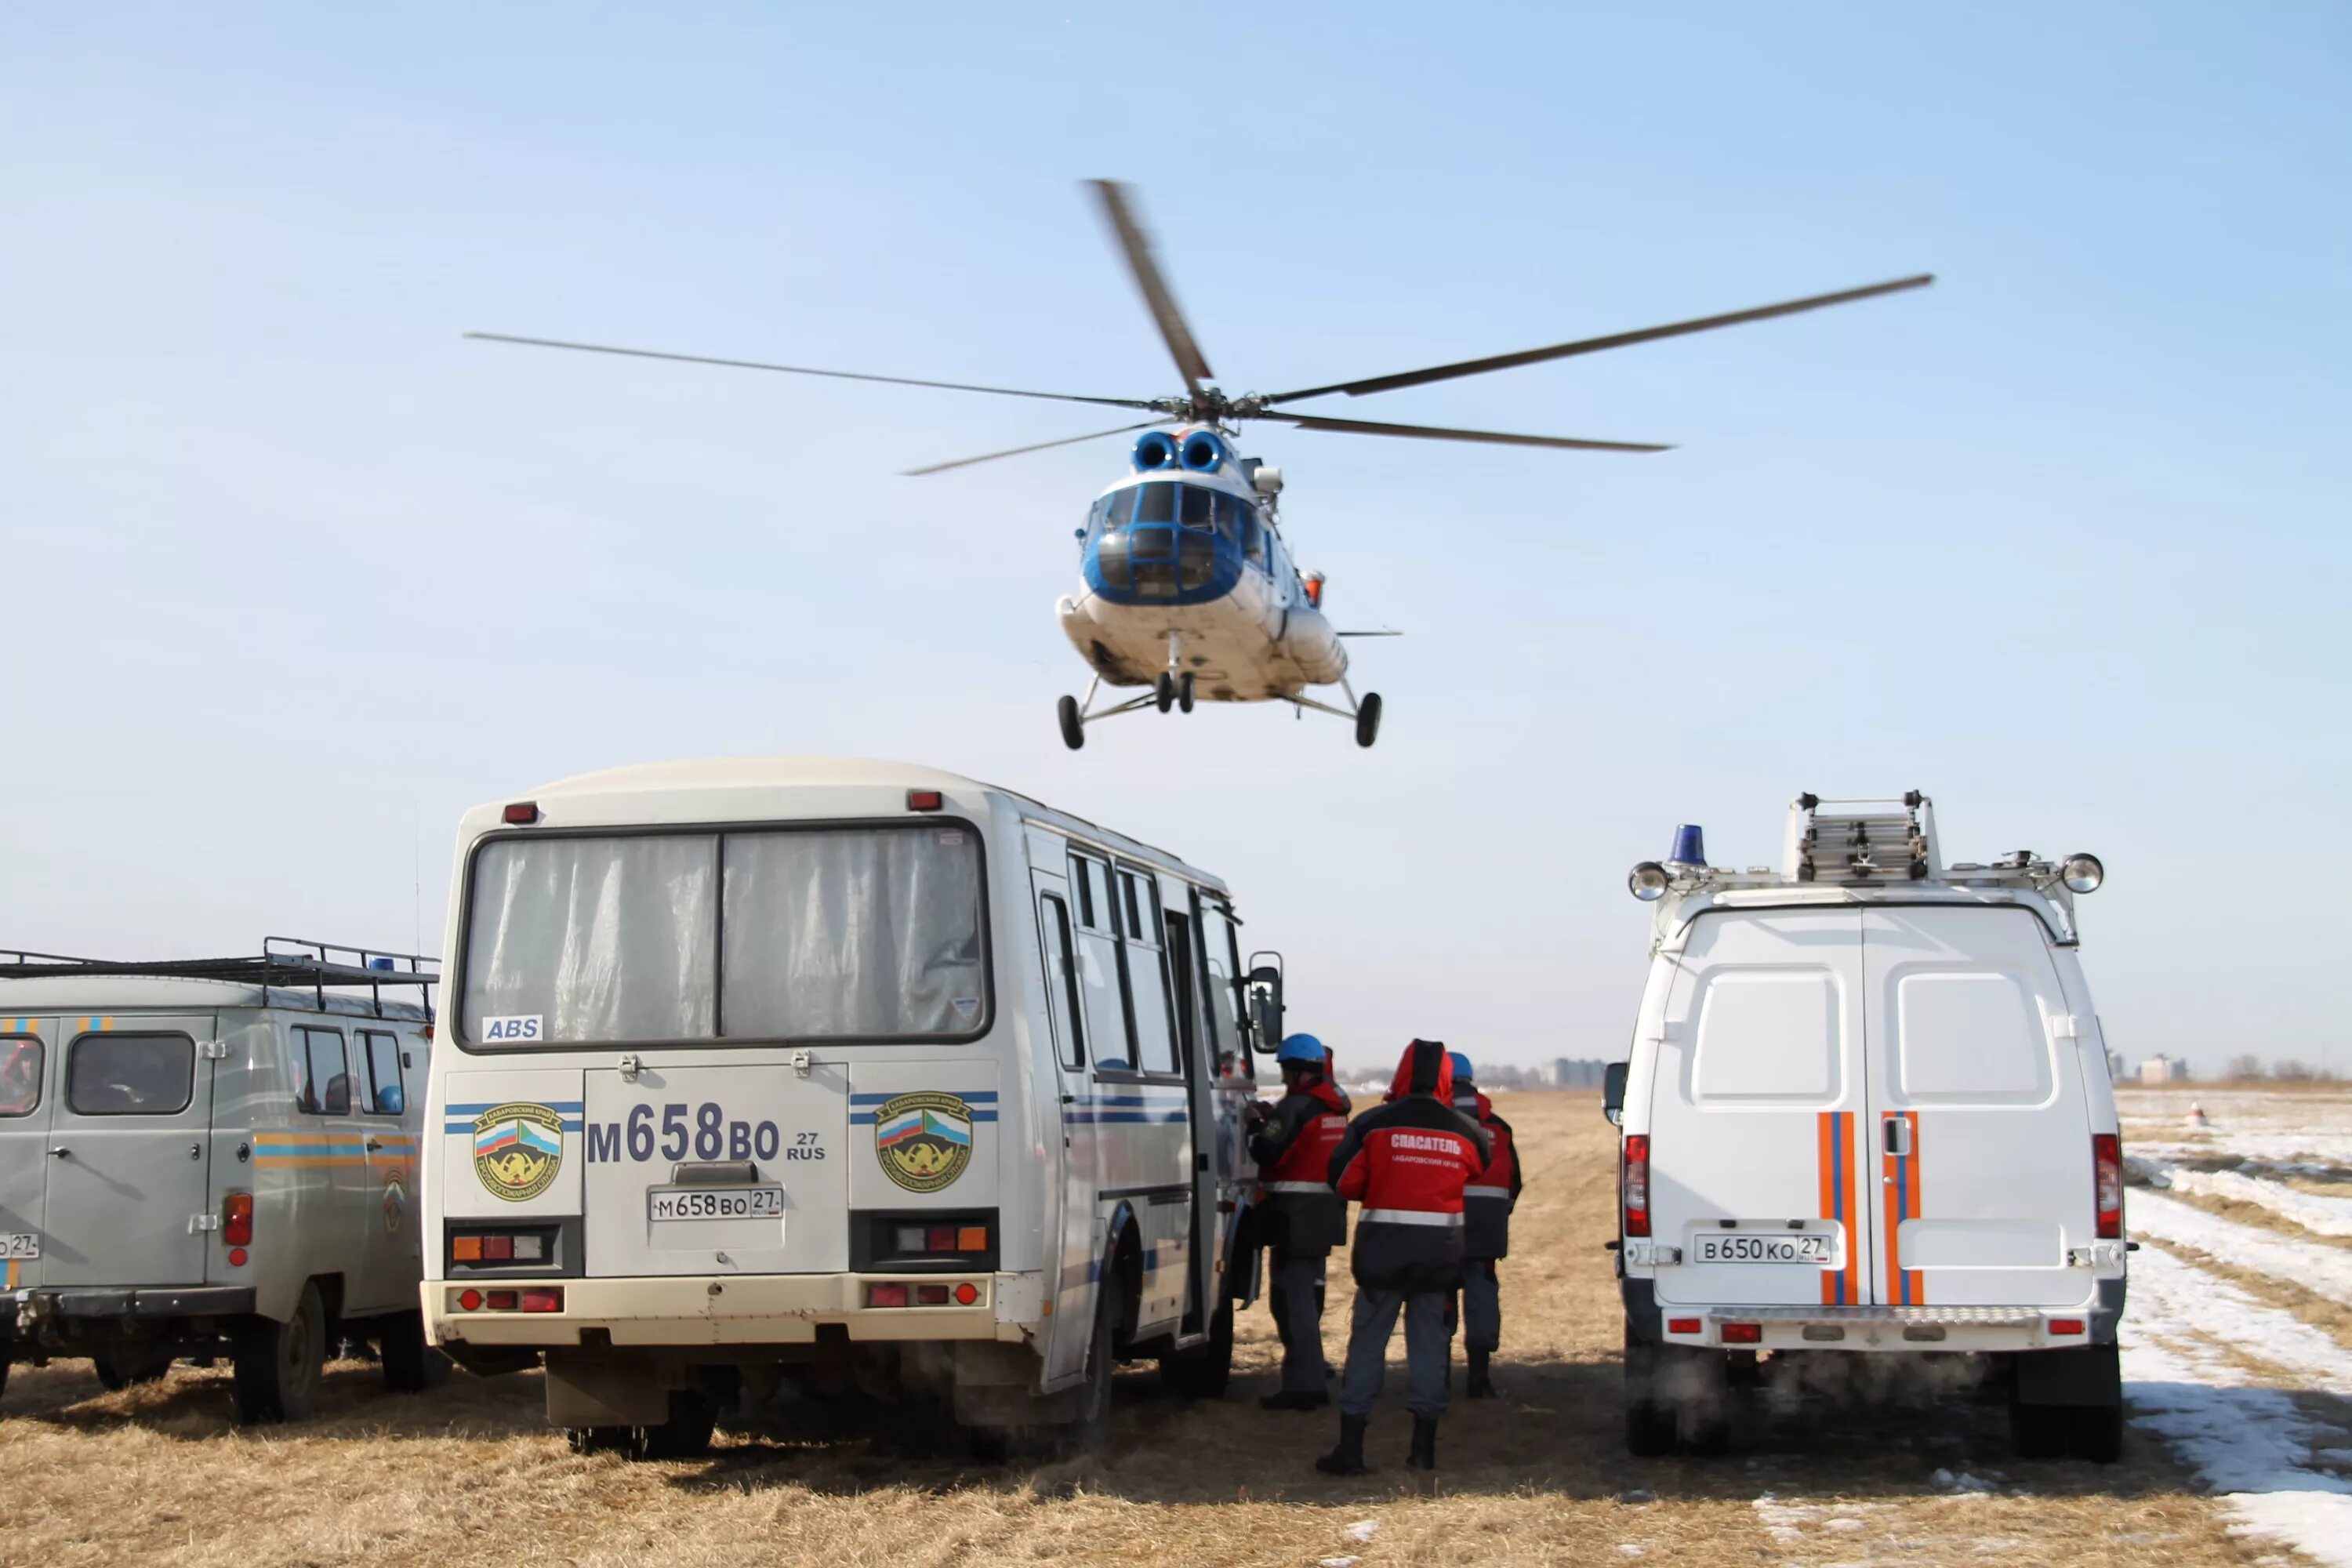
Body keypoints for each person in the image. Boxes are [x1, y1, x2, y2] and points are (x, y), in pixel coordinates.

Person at [1316, 1039, 1489, 1475]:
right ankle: (1423, 1450)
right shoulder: (1465, 1130)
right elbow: (1478, 1167)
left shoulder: (1373, 1125)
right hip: (1440, 1258)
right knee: (1430, 1346)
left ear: (1401, 1074)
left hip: (1382, 1255)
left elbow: (1343, 1181)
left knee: (1368, 1345)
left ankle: (1351, 1449)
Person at [1247, 1032, 1352, 1410]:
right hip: (1325, 1213)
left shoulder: (1295, 1108)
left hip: (1293, 1215)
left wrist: (1257, 1126)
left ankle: (1305, 1387)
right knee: (1307, 1294)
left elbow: (1267, 1152)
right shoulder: (1335, 1107)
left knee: (1294, 1302)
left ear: (1295, 1071)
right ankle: (1309, 1372)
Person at [1446, 1052, 1520, 1399]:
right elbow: (1514, 1181)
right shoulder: (1499, 1126)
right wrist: (1498, 1214)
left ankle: (1438, 1376)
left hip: (1444, 1225)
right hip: (1487, 1226)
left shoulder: (1438, 1121)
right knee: (1481, 1296)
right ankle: (1479, 1379)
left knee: (1439, 1295)